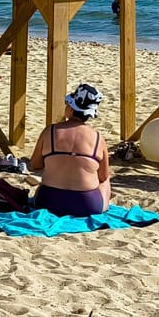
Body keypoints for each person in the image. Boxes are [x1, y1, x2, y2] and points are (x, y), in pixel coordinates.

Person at [28, 84, 113, 217]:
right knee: (105, 180)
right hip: (86, 204)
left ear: (72, 110)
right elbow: (103, 176)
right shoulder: (98, 138)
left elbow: (35, 165)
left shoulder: (49, 131)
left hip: (48, 201)